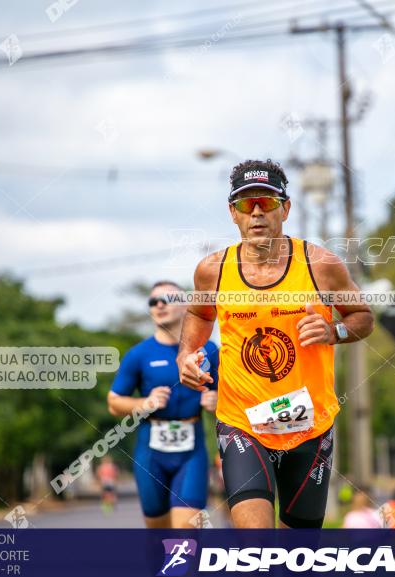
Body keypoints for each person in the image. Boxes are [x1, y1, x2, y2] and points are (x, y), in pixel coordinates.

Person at [177, 159, 374, 528]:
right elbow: (200, 315)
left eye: (266, 203)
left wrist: (335, 332)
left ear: (285, 208)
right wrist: (186, 354)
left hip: (310, 426)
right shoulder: (213, 270)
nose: (256, 213)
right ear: (232, 213)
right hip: (243, 423)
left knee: (300, 558)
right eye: (244, 204)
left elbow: (362, 317)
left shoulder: (321, 266)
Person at [107, 280, 219, 528]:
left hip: (192, 452)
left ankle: (182, 567)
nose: (159, 305)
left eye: (166, 300)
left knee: (185, 532)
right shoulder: (139, 354)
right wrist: (145, 402)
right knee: (158, 532)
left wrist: (218, 401)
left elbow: (232, 396)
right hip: (150, 452)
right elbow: (114, 403)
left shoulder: (208, 350)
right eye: (153, 302)